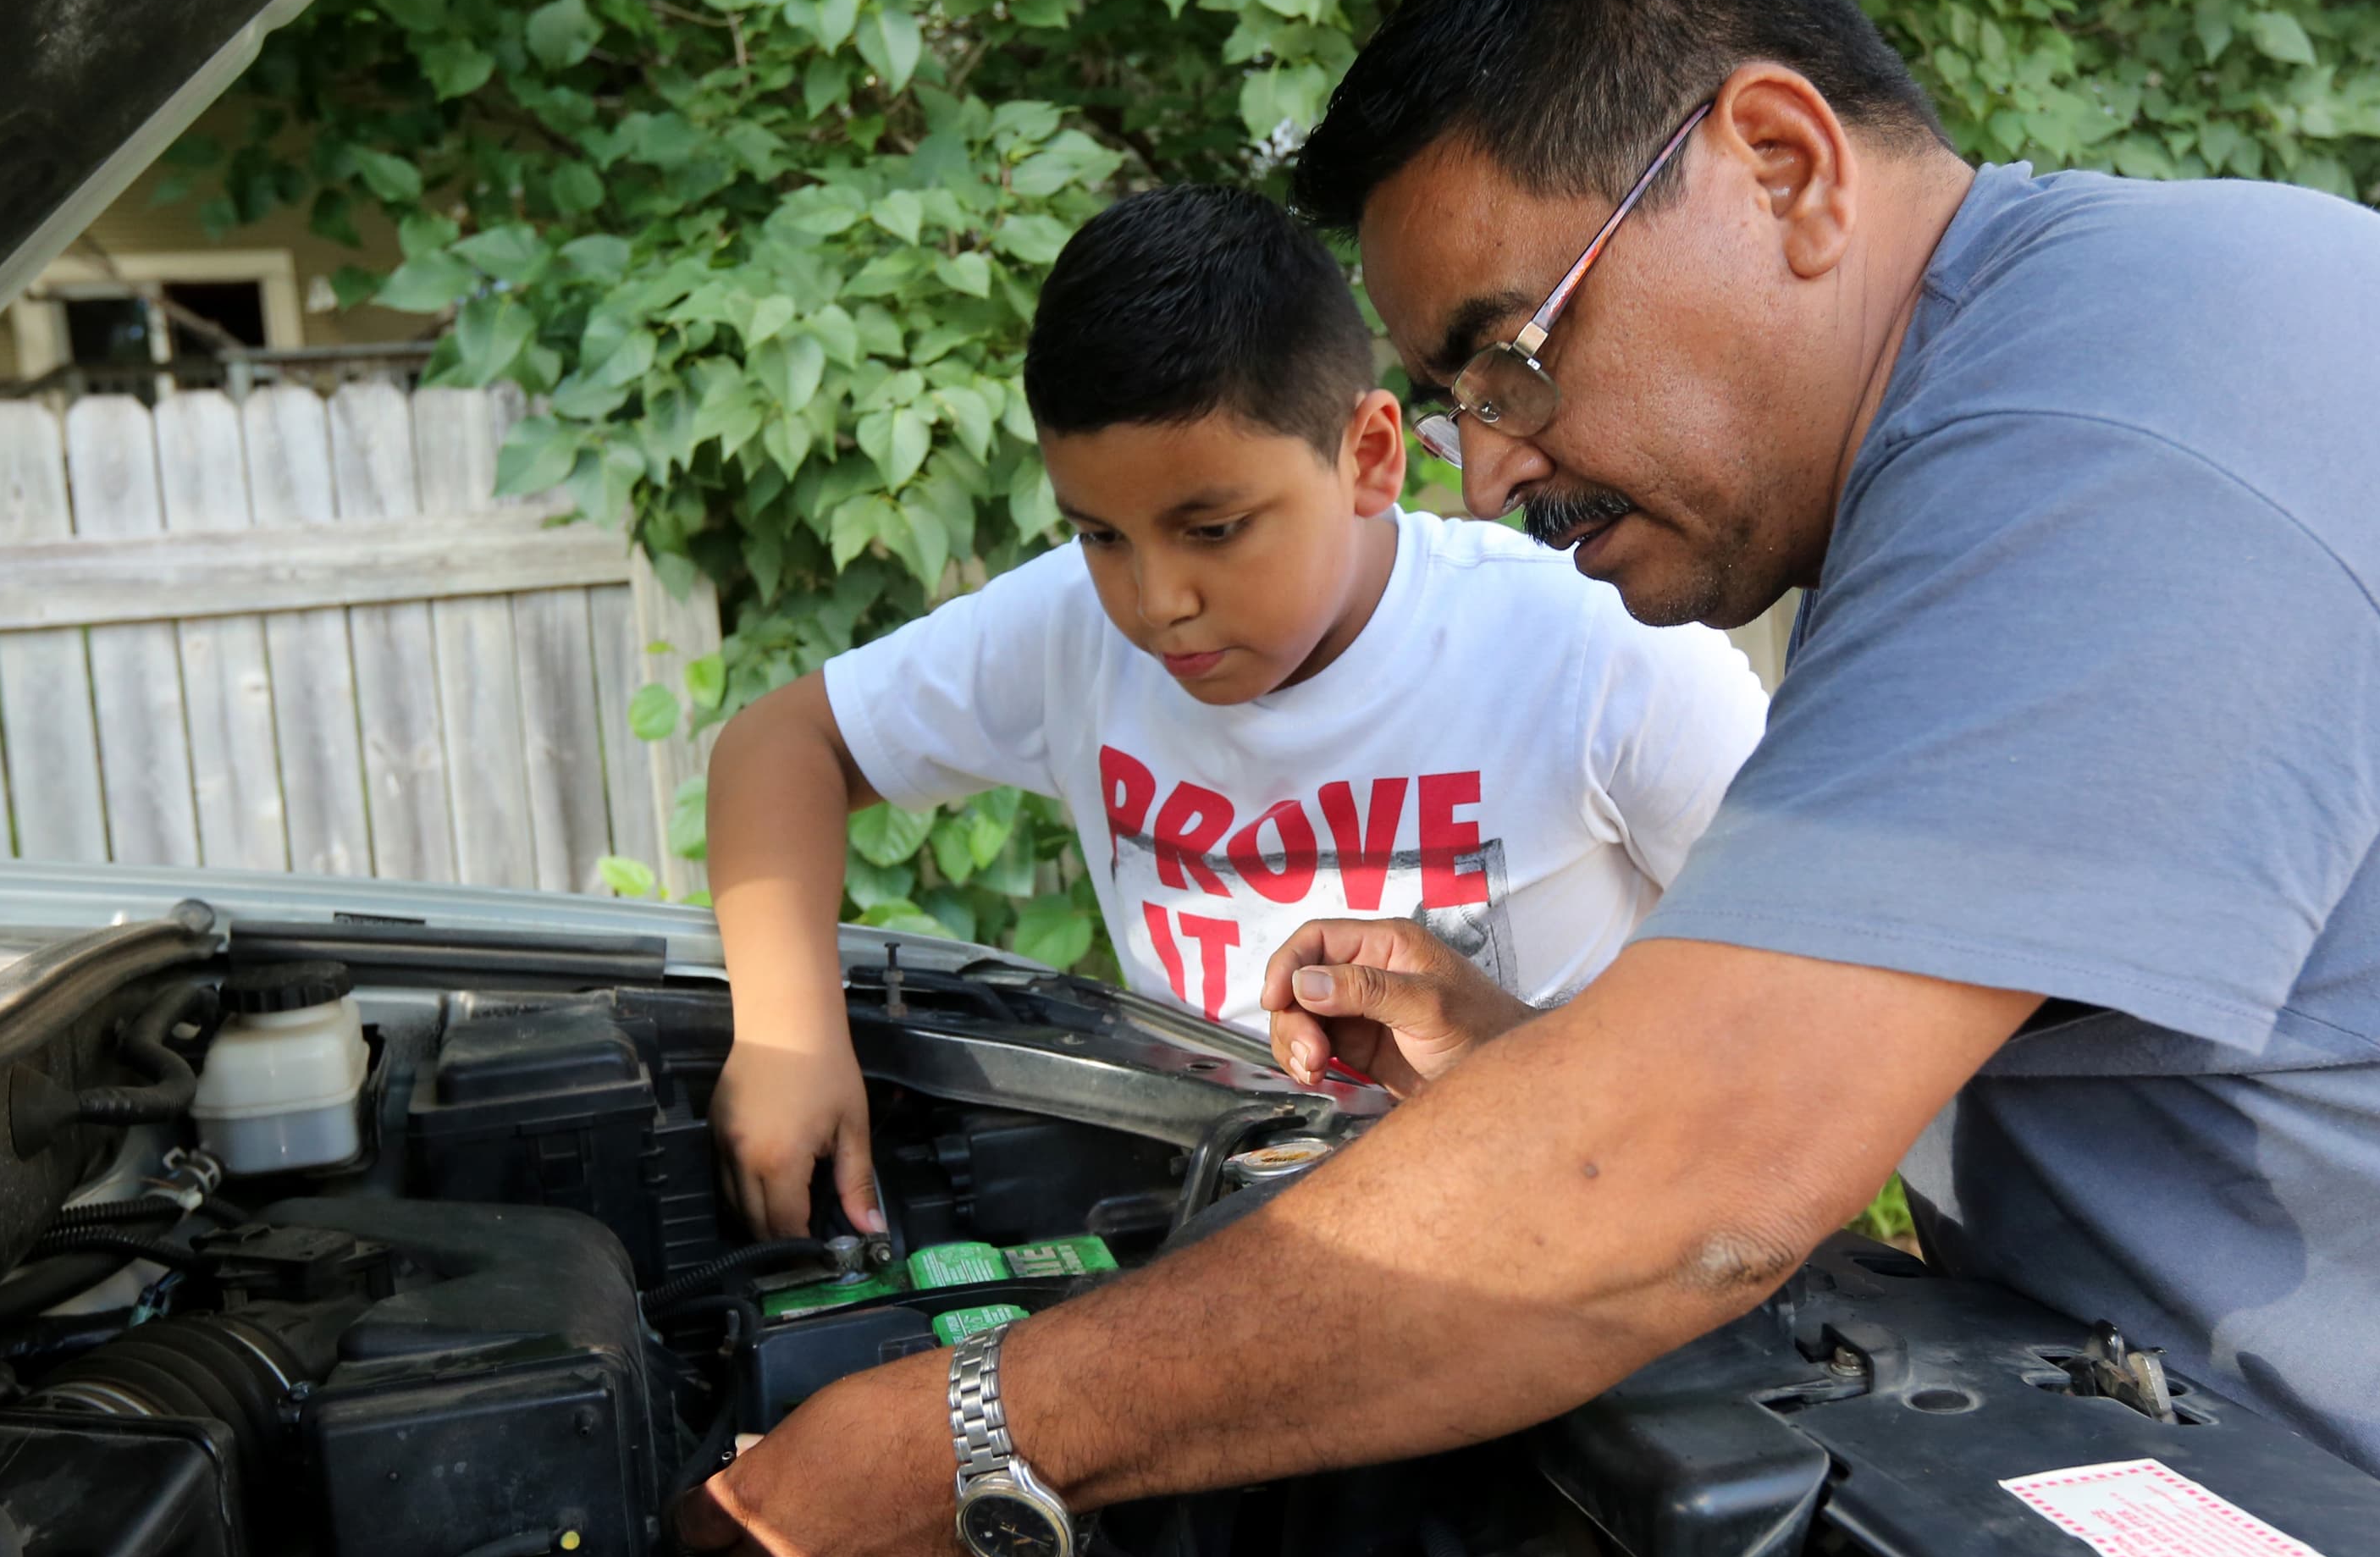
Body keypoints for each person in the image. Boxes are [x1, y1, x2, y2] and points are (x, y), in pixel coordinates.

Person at [679, 0, 2380, 1557]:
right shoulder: (2018, 420)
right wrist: (1560, 1066)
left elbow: (1694, 1187)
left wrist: (988, 1434)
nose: (1490, 467)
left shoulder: (2131, 425)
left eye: (1509, 351)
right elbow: (1843, 1088)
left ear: (1780, 164)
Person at [701, 182, 1765, 1238]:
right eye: (1101, 535)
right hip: (1211, 1237)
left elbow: (1798, 1002)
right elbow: (783, 741)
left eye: (1212, 528)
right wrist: (788, 1037)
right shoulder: (1071, 628)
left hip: (1562, 1239)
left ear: (1371, 456)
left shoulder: (1593, 649)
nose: (1156, 602)